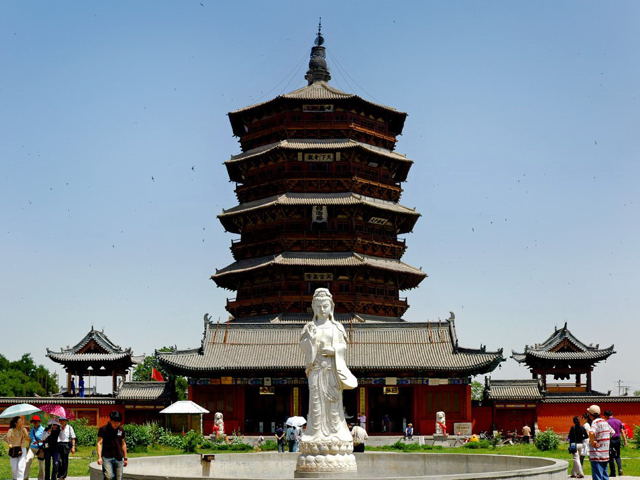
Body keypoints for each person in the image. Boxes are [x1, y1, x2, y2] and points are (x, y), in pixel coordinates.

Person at [299, 289, 357, 446]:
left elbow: (343, 347)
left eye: (324, 306)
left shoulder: (337, 327)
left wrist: (334, 351)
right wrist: (310, 340)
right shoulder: (309, 327)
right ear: (313, 307)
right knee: (316, 403)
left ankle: (335, 433)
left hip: (332, 369)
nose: (321, 310)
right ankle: (314, 433)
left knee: (333, 403)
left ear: (331, 306)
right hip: (316, 370)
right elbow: (304, 347)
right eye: (318, 306)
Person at [97, 411, 128, 480]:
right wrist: (99, 457)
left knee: (119, 478)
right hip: (107, 457)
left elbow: (123, 444)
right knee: (109, 476)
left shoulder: (121, 430)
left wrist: (125, 458)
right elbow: (99, 443)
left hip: (119, 457)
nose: (116, 424)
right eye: (114, 422)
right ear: (110, 420)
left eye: (118, 422)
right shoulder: (103, 429)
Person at [587, 405, 615, 480]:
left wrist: (593, 442)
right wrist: (603, 440)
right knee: (604, 475)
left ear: (590, 414)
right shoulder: (604, 421)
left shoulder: (595, 422)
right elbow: (612, 432)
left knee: (597, 476)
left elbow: (591, 432)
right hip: (605, 453)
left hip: (597, 454)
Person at [604, 410, 627, 477]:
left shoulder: (606, 422)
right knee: (618, 455)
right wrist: (625, 441)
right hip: (618, 440)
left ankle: (613, 473)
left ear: (606, 416)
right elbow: (622, 431)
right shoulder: (619, 421)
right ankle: (620, 469)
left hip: (610, 440)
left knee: (611, 457)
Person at [7, 416, 30, 480]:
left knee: (21, 467)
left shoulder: (24, 429)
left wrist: (25, 433)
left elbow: (28, 439)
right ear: (15, 423)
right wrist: (9, 443)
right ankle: (15, 478)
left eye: (22, 421)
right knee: (14, 468)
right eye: (20, 421)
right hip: (13, 449)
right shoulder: (11, 430)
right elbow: (7, 438)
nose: (22, 422)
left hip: (22, 449)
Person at [25, 415, 46, 480]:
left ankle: (41, 478)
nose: (35, 422)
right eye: (34, 421)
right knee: (27, 461)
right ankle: (25, 478)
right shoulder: (32, 430)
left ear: (39, 422)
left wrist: (44, 448)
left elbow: (45, 440)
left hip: (40, 449)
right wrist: (27, 448)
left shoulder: (43, 430)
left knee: (41, 465)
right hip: (32, 448)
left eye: (37, 421)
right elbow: (31, 439)